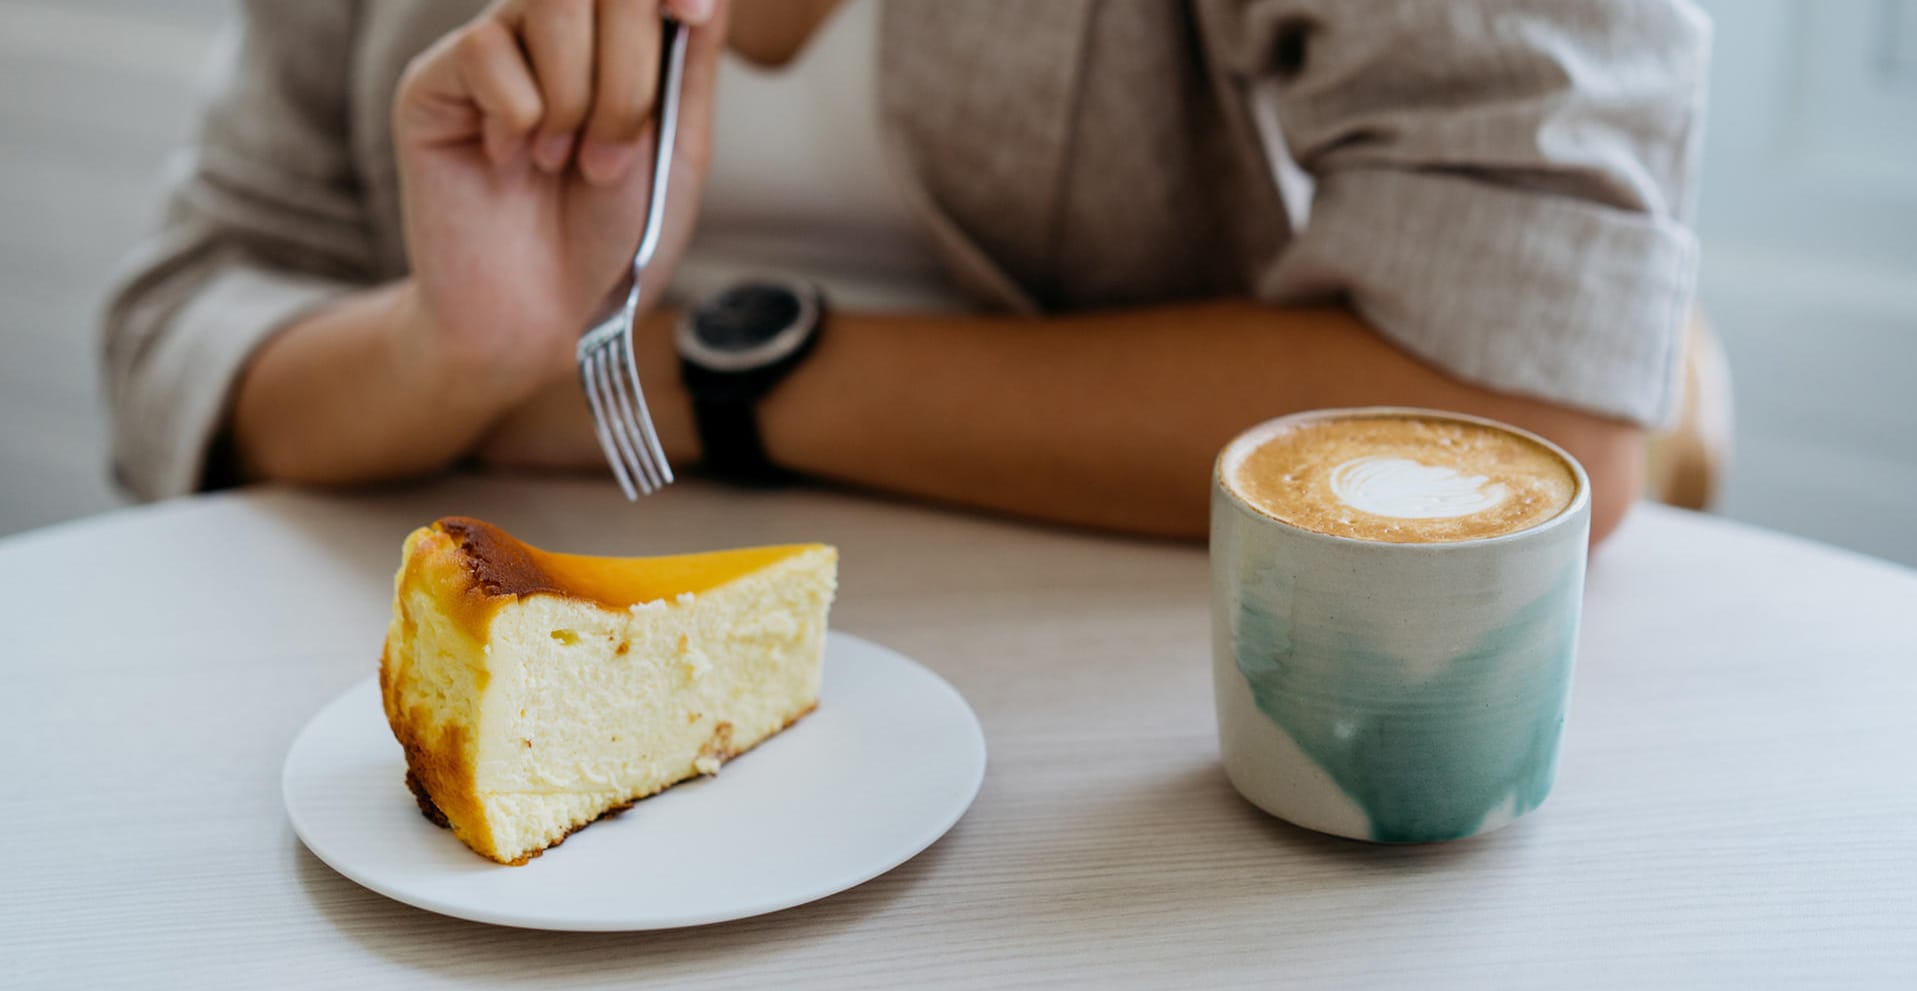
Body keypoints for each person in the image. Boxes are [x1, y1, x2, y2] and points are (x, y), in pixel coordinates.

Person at [102, 0, 1709, 541]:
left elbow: (1524, 411)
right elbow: (190, 318)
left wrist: (692, 377)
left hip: (1117, 725)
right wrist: (453, 351)